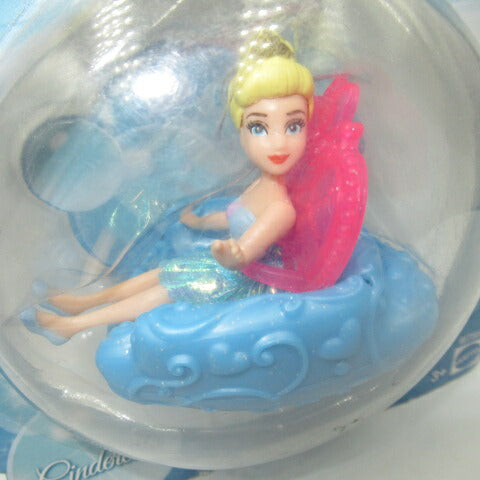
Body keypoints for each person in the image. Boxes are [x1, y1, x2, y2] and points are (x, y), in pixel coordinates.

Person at [22, 30, 316, 343]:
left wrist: (234, 254)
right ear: (240, 129)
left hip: (244, 280)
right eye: (259, 127)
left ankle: (69, 327)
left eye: (293, 126)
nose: (278, 142)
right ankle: (81, 302)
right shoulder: (260, 184)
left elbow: (245, 253)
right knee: (161, 272)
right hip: (223, 266)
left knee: (164, 290)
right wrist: (199, 222)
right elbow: (234, 214)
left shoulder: (281, 208)